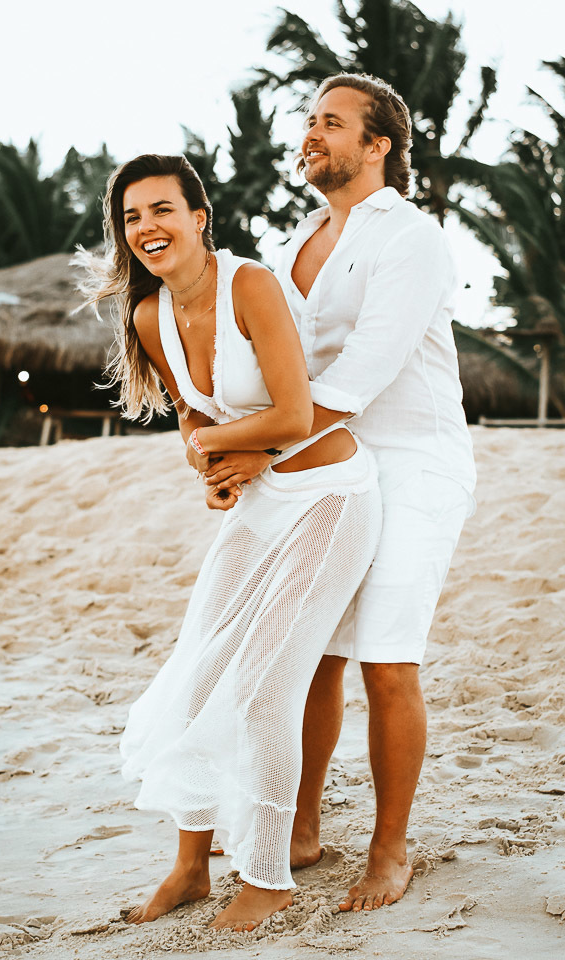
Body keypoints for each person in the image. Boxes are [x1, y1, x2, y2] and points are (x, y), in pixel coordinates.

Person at [78, 154, 382, 932]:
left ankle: (271, 878)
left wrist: (231, 444)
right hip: (256, 503)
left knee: (261, 687)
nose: (147, 227)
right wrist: (204, 460)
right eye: (132, 217)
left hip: (329, 499)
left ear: (199, 215)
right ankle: (188, 868)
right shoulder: (150, 317)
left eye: (162, 210)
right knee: (198, 673)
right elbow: (193, 415)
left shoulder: (250, 285)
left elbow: (289, 412)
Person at [204, 73, 477, 913]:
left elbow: (360, 374)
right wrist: (222, 433)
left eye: (332, 122)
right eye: (310, 120)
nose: (312, 133)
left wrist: (261, 450)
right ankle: (301, 826)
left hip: (413, 458)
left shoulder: (413, 237)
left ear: (378, 144)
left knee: (387, 658)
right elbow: (275, 365)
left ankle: (390, 849)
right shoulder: (294, 242)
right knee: (313, 652)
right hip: (325, 458)